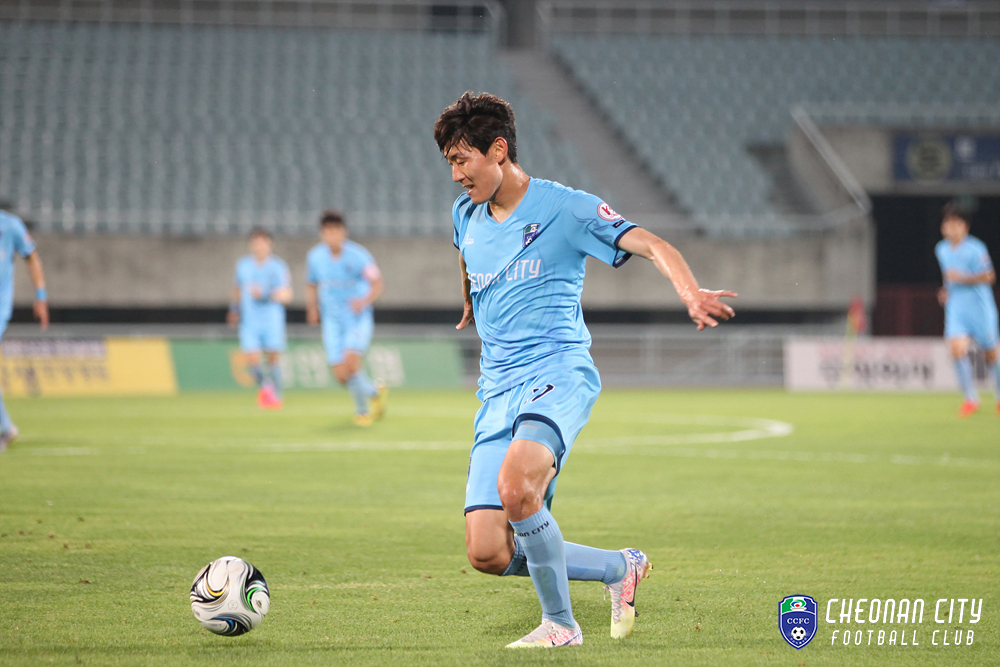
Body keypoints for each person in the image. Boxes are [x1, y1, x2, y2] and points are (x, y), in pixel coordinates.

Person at [434, 92, 737, 648]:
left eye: (461, 160)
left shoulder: (566, 209)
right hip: (496, 388)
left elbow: (651, 243)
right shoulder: (466, 213)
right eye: (450, 163)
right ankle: (619, 567)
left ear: (497, 150)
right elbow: (466, 253)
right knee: (488, 551)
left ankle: (561, 625)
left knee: (516, 488)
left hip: (556, 371)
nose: (455, 174)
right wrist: (469, 300)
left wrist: (690, 291)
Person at [306, 210, 387, 426]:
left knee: (351, 363)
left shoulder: (359, 256)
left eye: (335, 231)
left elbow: (377, 283)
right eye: (327, 231)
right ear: (322, 234)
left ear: (343, 232)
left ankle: (362, 412)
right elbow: (311, 283)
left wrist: (364, 300)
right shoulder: (315, 257)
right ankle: (374, 392)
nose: (332, 236)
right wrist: (312, 308)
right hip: (332, 321)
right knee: (341, 376)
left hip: (356, 319)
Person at [935, 202, 1000, 417]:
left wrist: (962, 278)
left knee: (991, 354)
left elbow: (989, 276)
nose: (950, 228)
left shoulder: (976, 248)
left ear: (965, 226)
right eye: (947, 223)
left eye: (955, 223)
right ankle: (971, 399)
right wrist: (946, 290)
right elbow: (949, 277)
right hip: (957, 308)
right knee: (956, 349)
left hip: (980, 308)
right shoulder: (941, 249)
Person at [0, 205, 49, 452]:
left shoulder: (10, 226)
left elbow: (32, 257)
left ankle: (5, 429)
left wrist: (41, 297)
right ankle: (5, 428)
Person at [228, 228, 292, 409]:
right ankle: (267, 388)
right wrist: (234, 309)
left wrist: (265, 294)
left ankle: (276, 395)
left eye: (262, 242)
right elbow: (237, 289)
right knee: (252, 361)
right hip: (250, 321)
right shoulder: (243, 266)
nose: (258, 246)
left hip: (272, 320)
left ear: (269, 244)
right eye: (255, 242)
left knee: (273, 360)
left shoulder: (278, 266)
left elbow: (287, 294)